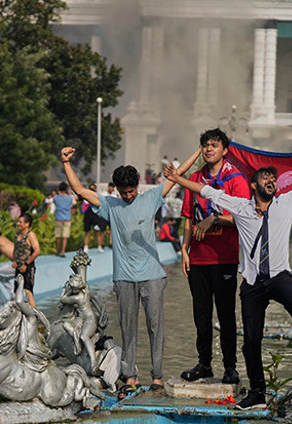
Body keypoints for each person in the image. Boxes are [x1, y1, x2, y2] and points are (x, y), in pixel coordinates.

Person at [164, 134, 292, 410]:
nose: (271, 181)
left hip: (279, 277)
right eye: (265, 178)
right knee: (250, 341)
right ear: (254, 185)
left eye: (273, 179)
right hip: (252, 283)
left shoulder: (286, 202)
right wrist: (178, 180)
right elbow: (206, 192)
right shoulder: (241, 207)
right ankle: (257, 392)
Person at [60, 144, 201, 394]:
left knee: (155, 327)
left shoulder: (151, 198)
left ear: (138, 185)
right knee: (128, 329)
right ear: (117, 190)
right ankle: (130, 377)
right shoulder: (111, 206)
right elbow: (79, 190)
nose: (128, 196)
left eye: (132, 190)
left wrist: (199, 150)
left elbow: (178, 175)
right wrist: (66, 163)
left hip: (153, 277)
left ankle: (157, 377)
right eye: (124, 192)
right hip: (124, 278)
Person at [178, 128, 250, 385]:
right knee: (201, 314)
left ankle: (230, 366)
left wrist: (215, 218)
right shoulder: (195, 179)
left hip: (225, 258)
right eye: (205, 145)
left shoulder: (235, 179)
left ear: (225, 150)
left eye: (214, 145)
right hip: (198, 258)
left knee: (226, 314)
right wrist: (184, 250)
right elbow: (187, 217)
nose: (209, 149)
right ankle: (204, 364)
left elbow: (244, 216)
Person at [14, 213, 41, 308]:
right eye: (18, 221)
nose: (18, 223)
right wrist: (14, 261)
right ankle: (18, 315)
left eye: (20, 222)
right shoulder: (17, 235)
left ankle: (34, 315)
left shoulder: (30, 235)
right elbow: (16, 249)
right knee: (16, 291)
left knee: (28, 291)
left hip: (28, 267)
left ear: (27, 224)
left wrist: (26, 264)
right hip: (18, 267)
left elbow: (37, 251)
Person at [82, 183, 107, 253]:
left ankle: (100, 247)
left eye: (93, 189)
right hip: (87, 216)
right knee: (87, 232)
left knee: (97, 232)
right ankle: (86, 247)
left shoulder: (97, 197)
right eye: (90, 189)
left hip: (95, 216)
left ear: (95, 190)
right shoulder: (85, 198)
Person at [53, 182, 75, 257]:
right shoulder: (69, 198)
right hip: (67, 218)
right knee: (65, 236)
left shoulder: (55, 197)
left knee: (58, 235)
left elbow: (54, 203)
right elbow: (73, 204)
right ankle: (63, 251)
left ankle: (58, 251)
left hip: (58, 218)